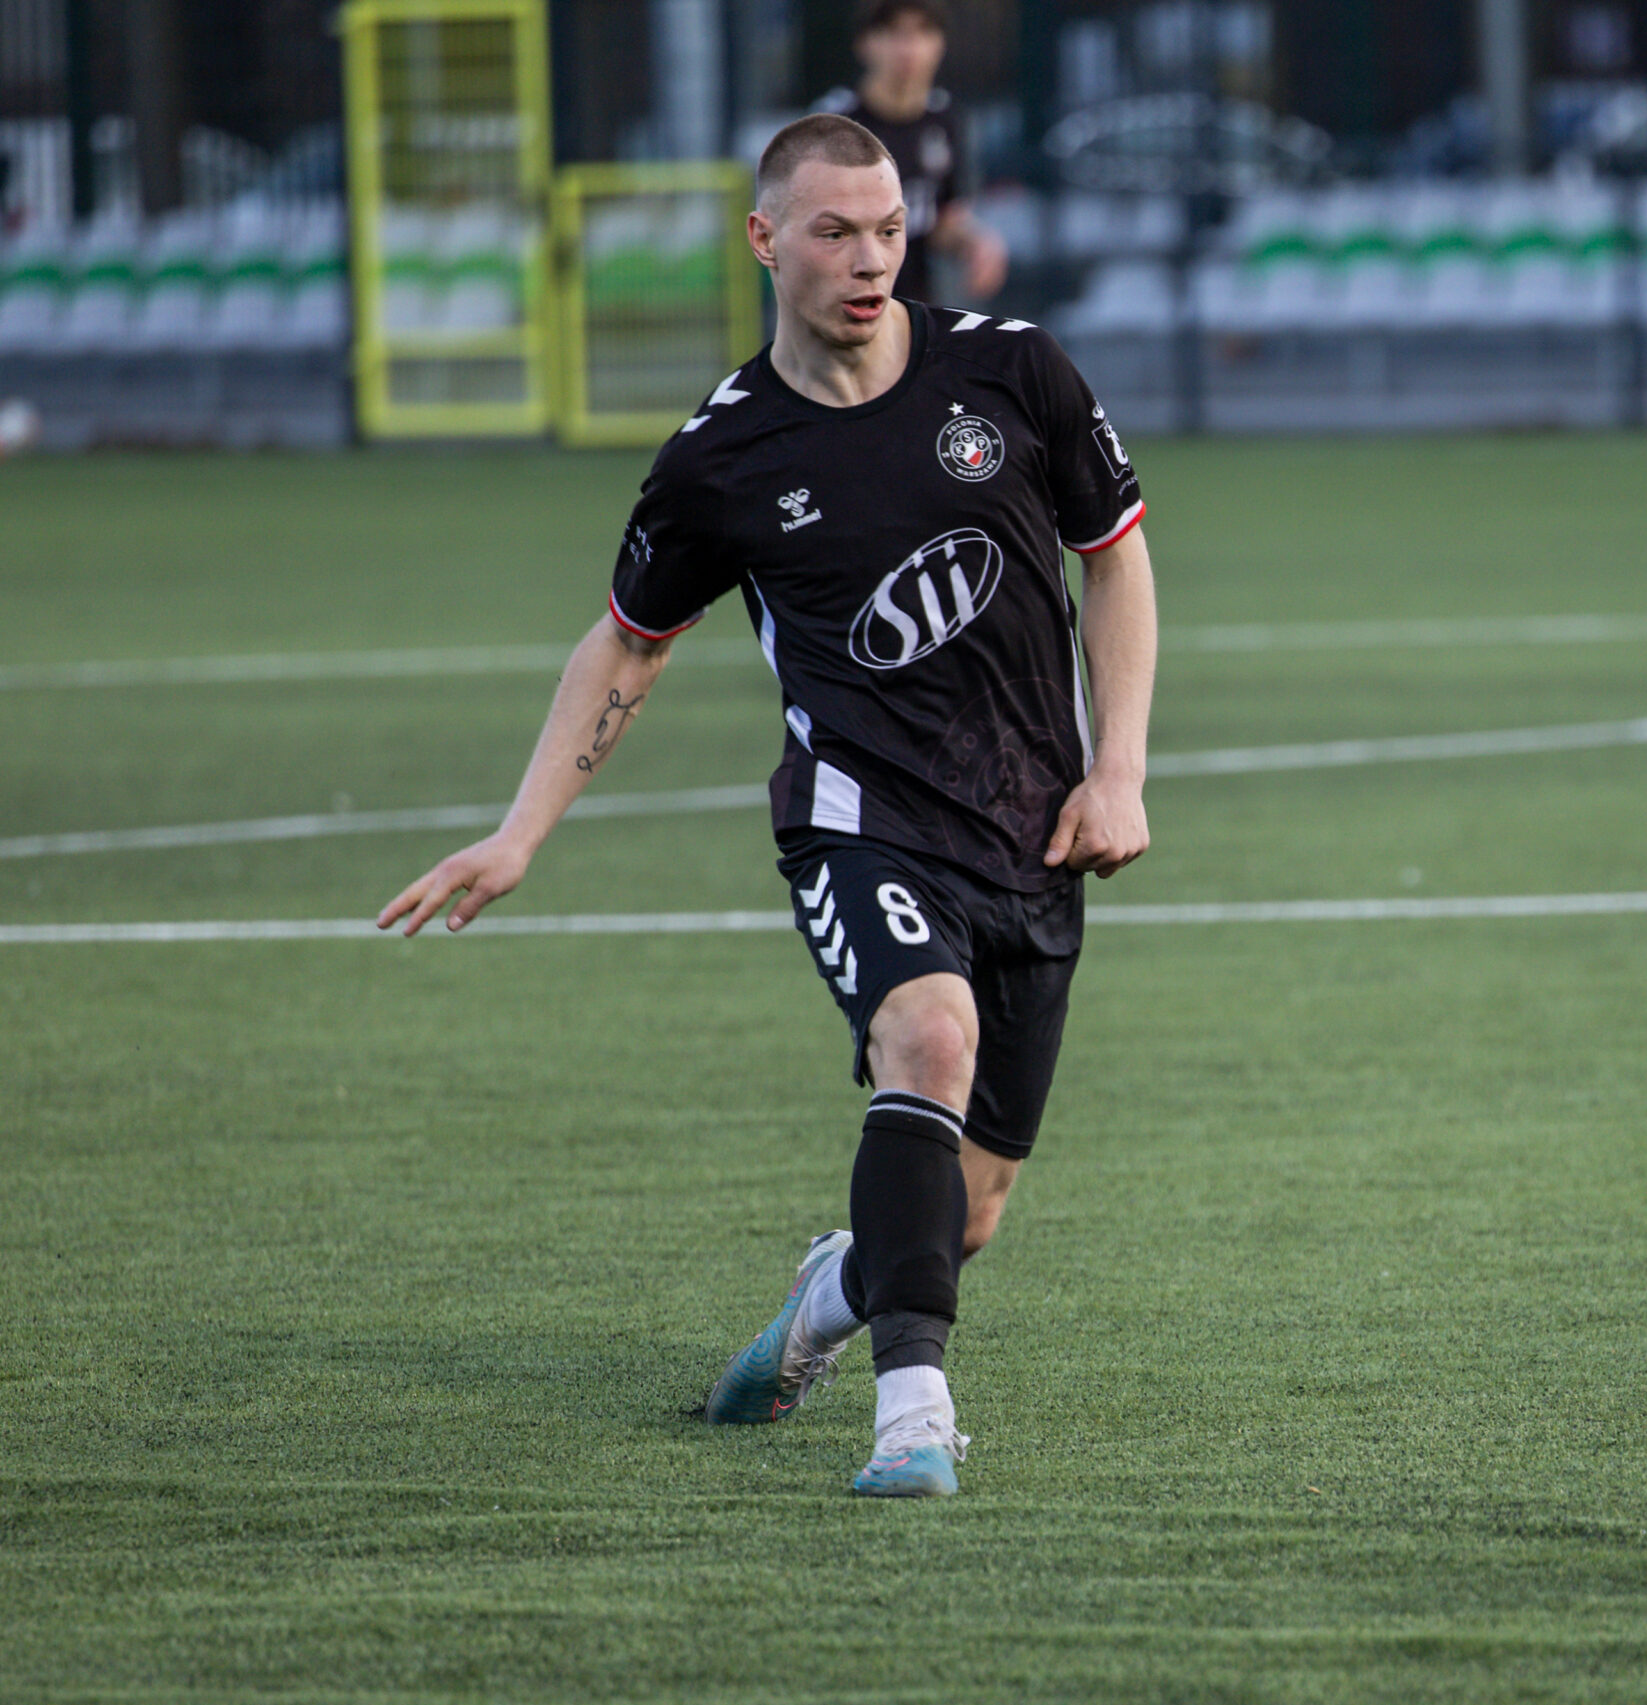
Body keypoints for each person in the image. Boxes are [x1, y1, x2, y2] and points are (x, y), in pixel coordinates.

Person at [378, 112, 1156, 1499]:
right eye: (834, 232)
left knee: (966, 1212)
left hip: (1031, 829)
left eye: (889, 230)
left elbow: (1116, 556)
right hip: (859, 818)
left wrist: (1120, 770)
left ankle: (832, 1295)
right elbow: (629, 643)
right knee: (928, 1036)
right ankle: (914, 1416)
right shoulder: (721, 460)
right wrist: (520, 831)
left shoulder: (1014, 370)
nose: (870, 259)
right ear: (764, 238)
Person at [813, 0, 1007, 302]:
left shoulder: (943, 120)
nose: (908, 48)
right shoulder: (835, 124)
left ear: (941, 44)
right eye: (893, 33)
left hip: (914, 306)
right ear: (864, 43)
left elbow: (942, 220)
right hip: (845, 304)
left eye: (923, 32)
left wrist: (976, 243)